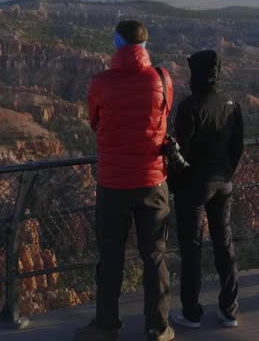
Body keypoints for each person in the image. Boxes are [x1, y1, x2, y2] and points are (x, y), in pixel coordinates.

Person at [77, 20, 175, 341]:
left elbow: (95, 122)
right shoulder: (162, 78)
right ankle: (157, 327)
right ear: (144, 46)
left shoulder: (100, 83)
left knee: (111, 256)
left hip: (113, 183)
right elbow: (164, 115)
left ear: (116, 43)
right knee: (155, 255)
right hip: (153, 181)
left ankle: (107, 326)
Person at [169, 50, 244, 330]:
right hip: (223, 183)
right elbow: (238, 146)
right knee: (224, 245)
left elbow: (181, 155)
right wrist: (226, 174)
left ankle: (191, 313)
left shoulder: (190, 107)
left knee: (191, 249)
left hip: (194, 188)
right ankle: (229, 310)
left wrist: (175, 186)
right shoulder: (231, 103)